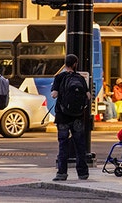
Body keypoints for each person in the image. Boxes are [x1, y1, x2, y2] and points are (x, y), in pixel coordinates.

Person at [51, 53, 91, 181]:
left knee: (63, 144)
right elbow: (88, 96)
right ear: (75, 64)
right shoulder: (80, 78)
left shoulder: (59, 77)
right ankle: (83, 173)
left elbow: (54, 94)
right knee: (80, 145)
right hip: (77, 117)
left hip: (63, 116)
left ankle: (62, 173)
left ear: (65, 64)